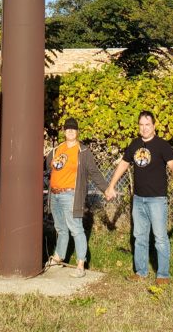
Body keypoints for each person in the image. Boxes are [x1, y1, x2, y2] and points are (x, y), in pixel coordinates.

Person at [104, 110, 173, 284]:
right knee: (140, 236)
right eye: (141, 125)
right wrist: (111, 186)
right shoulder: (134, 144)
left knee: (160, 237)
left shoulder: (162, 145)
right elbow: (123, 165)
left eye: (147, 124)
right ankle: (141, 272)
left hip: (157, 200)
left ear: (154, 126)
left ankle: (163, 275)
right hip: (138, 199)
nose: (144, 128)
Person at [44, 117, 109, 278]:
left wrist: (106, 188)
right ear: (64, 132)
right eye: (67, 129)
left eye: (73, 129)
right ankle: (59, 257)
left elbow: (94, 172)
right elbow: (47, 168)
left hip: (71, 194)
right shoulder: (56, 150)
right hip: (56, 195)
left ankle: (81, 264)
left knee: (76, 228)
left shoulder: (83, 151)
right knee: (60, 228)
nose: (70, 131)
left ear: (77, 132)